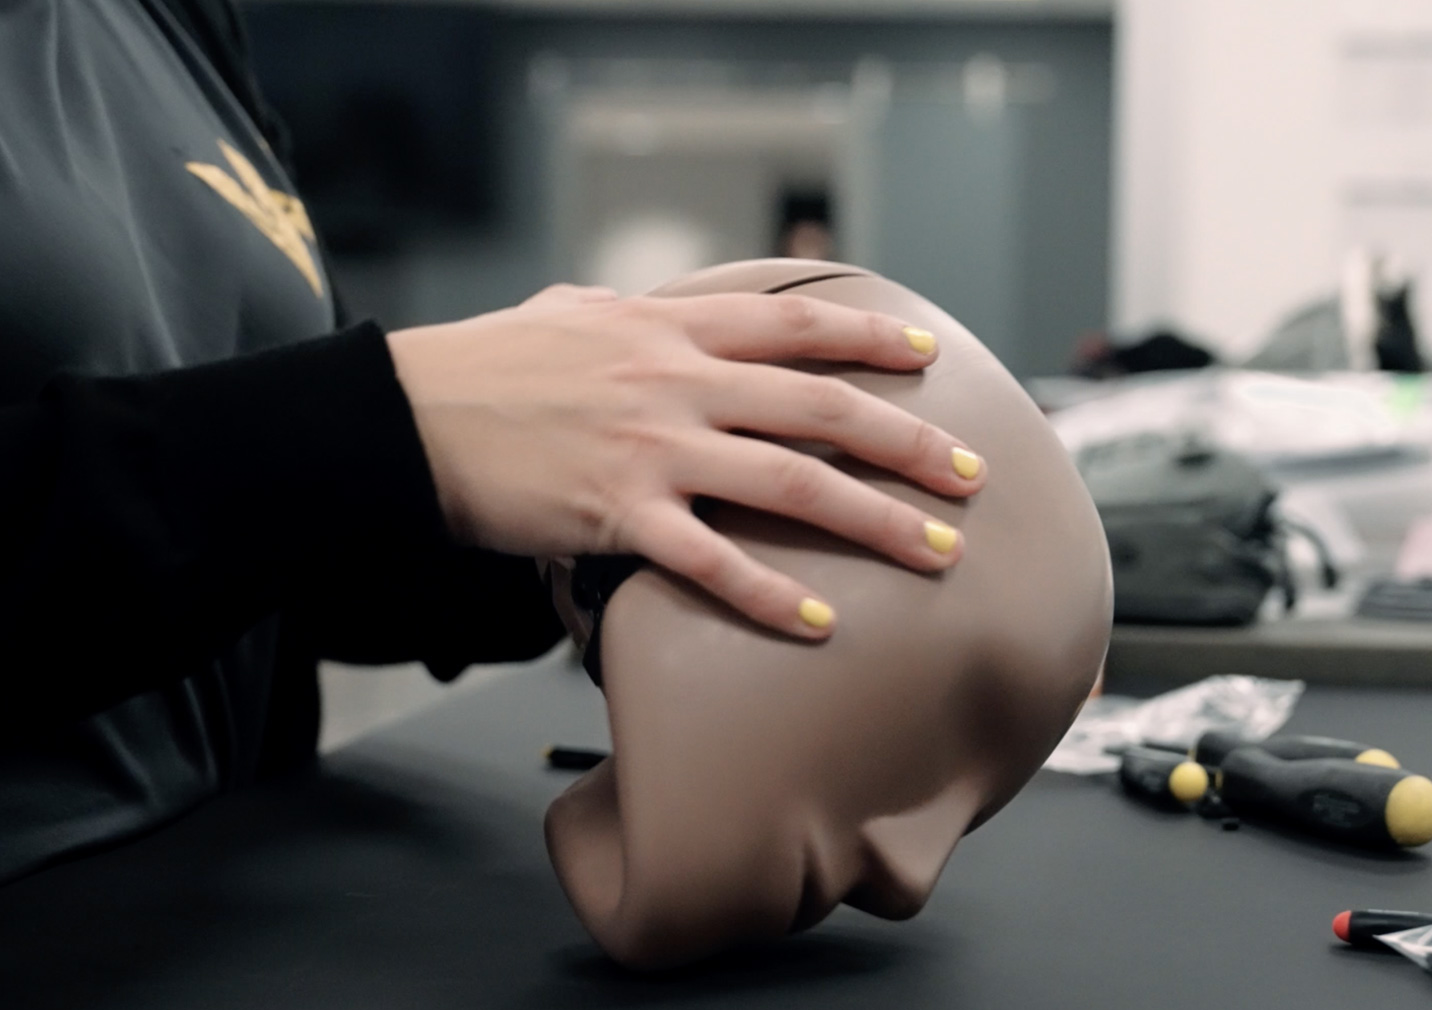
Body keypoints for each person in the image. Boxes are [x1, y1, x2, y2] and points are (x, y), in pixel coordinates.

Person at [0, 0, 986, 883]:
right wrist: (389, 424)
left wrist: (592, 519)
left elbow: (292, 557)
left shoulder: (176, 20)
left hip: (226, 897)